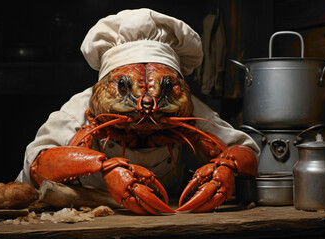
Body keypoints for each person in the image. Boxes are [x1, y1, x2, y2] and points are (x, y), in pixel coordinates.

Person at [16, 8, 260, 197]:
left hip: (168, 217)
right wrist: (103, 166)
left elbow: (245, 152)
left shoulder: (190, 108)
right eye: (123, 87)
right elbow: (36, 166)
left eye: (165, 88)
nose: (146, 106)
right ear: (102, 86)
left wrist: (225, 170)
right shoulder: (80, 108)